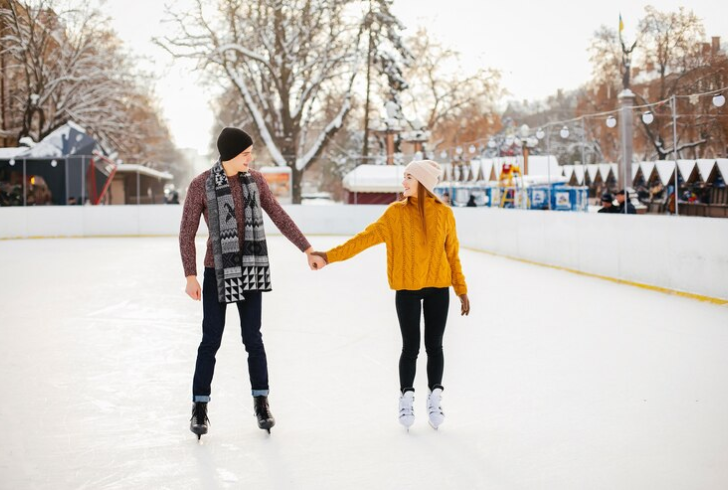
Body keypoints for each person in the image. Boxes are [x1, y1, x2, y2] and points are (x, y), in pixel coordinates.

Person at [179, 127, 325, 439]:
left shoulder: (255, 181)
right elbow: (186, 232)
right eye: (246, 153)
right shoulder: (200, 184)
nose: (251, 158)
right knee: (211, 341)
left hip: (250, 269)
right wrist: (190, 275)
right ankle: (199, 408)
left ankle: (262, 403)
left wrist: (307, 249)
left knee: (252, 339)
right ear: (230, 153)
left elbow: (279, 215)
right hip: (216, 271)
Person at [311, 160, 470, 430]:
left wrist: (461, 289)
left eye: (409, 177)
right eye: (404, 176)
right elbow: (363, 239)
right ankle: (406, 397)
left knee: (435, 346)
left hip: (437, 287)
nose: (403, 182)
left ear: (423, 182)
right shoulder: (395, 214)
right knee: (410, 347)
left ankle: (435, 398)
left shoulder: (444, 214)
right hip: (407, 287)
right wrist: (328, 256)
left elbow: (452, 255)